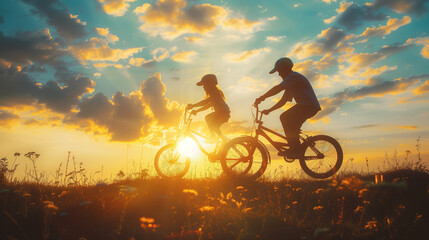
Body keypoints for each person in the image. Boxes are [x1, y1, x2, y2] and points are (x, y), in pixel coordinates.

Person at [254, 57, 321, 158]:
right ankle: (296, 148)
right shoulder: (291, 82)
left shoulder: (293, 77)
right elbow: (283, 101)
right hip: (308, 106)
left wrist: (262, 98)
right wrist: (269, 110)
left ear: (285, 69)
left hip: (308, 106)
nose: (279, 74)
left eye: (279, 71)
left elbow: (277, 88)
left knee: (285, 117)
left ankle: (295, 149)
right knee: (290, 124)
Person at [186, 74, 230, 142]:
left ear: (210, 84)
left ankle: (213, 137)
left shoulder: (215, 93)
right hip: (223, 113)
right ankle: (223, 140)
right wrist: (197, 111)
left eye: (204, 85)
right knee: (214, 127)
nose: (203, 87)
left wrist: (193, 106)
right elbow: (208, 105)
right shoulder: (214, 94)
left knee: (208, 118)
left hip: (222, 113)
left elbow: (205, 102)